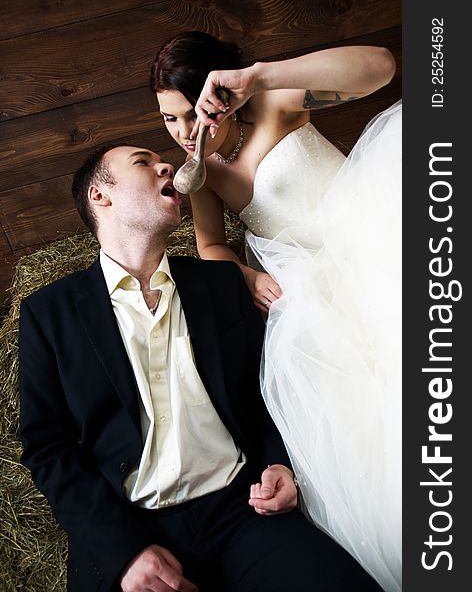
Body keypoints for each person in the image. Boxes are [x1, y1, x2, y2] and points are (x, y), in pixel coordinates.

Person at [19, 144, 382, 592]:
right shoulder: (48, 313)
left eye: (161, 160)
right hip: (130, 532)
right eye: (142, 162)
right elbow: (47, 449)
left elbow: (264, 392)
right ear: (100, 196)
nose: (165, 165)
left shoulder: (222, 283)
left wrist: (279, 465)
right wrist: (122, 554)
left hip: (244, 514)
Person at [150, 31, 402, 591]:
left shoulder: (274, 103)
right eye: (169, 119)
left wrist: (259, 76)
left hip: (374, 245)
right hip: (312, 292)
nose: (184, 131)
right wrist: (245, 272)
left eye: (193, 112)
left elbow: (380, 67)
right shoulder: (202, 172)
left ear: (224, 93)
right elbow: (211, 244)